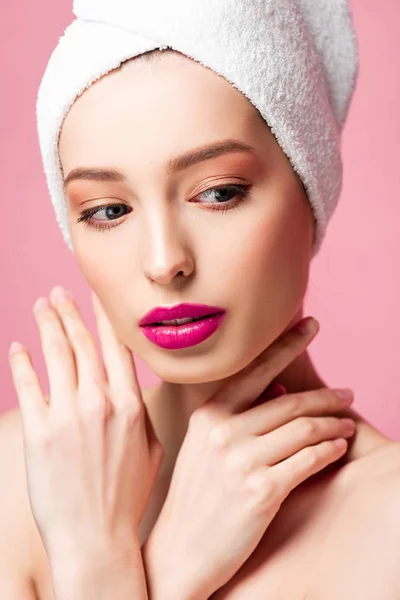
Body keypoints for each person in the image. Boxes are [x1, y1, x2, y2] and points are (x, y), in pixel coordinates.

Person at [2, 7, 400, 600]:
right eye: (108, 210)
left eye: (218, 193)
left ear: (312, 189)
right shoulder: (20, 476)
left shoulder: (387, 525)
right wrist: (106, 560)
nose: (165, 261)